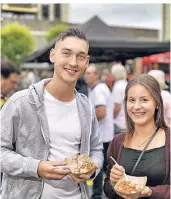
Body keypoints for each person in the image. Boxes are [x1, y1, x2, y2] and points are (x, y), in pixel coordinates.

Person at [0, 28, 103, 199]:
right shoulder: (20, 102)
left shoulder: (86, 107)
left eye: (81, 56)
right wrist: (36, 167)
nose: (73, 62)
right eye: (67, 53)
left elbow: (96, 150)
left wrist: (92, 170)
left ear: (87, 62)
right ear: (53, 55)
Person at [104, 74, 170, 199]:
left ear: (157, 103)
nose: (137, 107)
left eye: (144, 100)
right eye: (132, 100)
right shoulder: (117, 141)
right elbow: (107, 188)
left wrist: (151, 191)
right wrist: (113, 183)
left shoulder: (169, 140)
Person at [85, 64, 113, 199]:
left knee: (97, 166)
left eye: (90, 73)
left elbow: (101, 112)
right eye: (86, 73)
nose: (87, 75)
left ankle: (97, 195)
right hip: (103, 134)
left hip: (101, 135)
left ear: (97, 75)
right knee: (101, 167)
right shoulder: (96, 89)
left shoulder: (99, 90)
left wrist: (83, 120)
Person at [111, 64, 127, 134]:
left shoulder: (118, 87)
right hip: (126, 122)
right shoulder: (126, 84)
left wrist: (111, 117)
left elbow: (117, 107)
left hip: (119, 123)